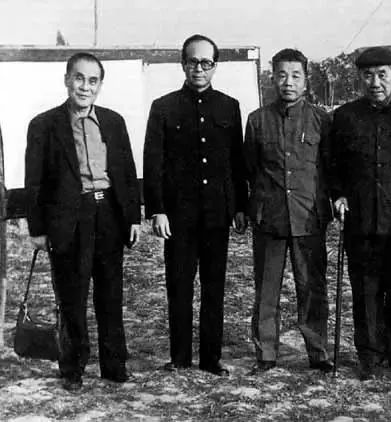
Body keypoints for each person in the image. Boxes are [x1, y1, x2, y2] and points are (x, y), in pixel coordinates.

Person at [25, 52, 141, 391]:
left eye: (93, 81)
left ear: (100, 85)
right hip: (69, 219)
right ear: (66, 80)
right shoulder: (44, 125)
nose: (85, 87)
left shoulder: (113, 122)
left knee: (110, 294)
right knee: (72, 296)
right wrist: (38, 229)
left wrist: (132, 218)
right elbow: (34, 181)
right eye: (79, 78)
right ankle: (73, 368)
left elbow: (126, 172)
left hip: (108, 216)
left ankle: (114, 365)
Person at [143, 34, 248, 376]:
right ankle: (179, 356)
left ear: (215, 66)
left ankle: (211, 358)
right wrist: (157, 209)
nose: (199, 69)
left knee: (214, 288)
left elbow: (236, 162)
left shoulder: (229, 106)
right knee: (179, 286)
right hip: (178, 216)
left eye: (206, 62)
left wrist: (240, 207)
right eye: (193, 62)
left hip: (216, 214)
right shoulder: (164, 107)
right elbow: (153, 162)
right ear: (183, 64)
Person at [331, 46, 391, 382]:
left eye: (382, 75)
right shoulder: (344, 117)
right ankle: (369, 355)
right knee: (365, 291)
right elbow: (333, 165)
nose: (375, 82)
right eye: (368, 75)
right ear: (359, 78)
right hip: (361, 221)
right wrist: (338, 195)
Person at [244, 49, 333, 374]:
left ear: (306, 81)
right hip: (270, 218)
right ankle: (266, 353)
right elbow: (249, 169)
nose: (288, 82)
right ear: (273, 78)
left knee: (311, 289)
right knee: (266, 291)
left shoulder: (322, 120)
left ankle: (318, 352)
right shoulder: (257, 120)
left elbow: (329, 169)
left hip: (308, 217)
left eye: (296, 75)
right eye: (281, 75)